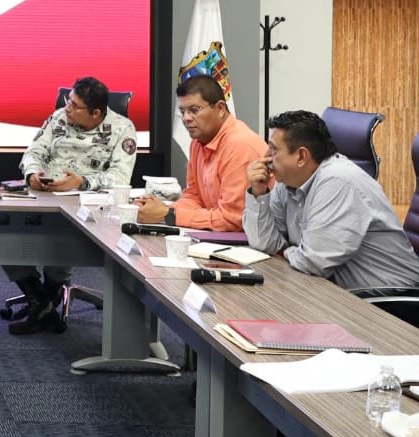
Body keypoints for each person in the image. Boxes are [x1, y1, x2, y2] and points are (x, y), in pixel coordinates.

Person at [4, 76, 137, 335]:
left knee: (61, 242)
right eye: (68, 100)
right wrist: (32, 174)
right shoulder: (58, 117)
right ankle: (42, 302)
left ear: (95, 113)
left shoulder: (123, 129)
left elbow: (120, 178)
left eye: (75, 105)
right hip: (43, 196)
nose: (67, 108)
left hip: (85, 204)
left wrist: (82, 182)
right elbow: (34, 152)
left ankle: (39, 303)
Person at [244, 110, 419, 290]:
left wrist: (284, 250)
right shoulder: (288, 181)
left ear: (301, 156)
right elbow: (264, 244)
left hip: (389, 297)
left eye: (273, 149)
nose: (266, 157)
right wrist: (258, 192)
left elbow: (312, 262)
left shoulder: (337, 181)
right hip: (336, 291)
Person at [136, 75, 266, 231]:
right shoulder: (198, 141)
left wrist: (168, 215)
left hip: (249, 239)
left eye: (194, 110)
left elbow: (232, 220)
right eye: (182, 111)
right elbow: (194, 197)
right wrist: (160, 210)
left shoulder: (240, 146)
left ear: (220, 109)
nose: (186, 118)